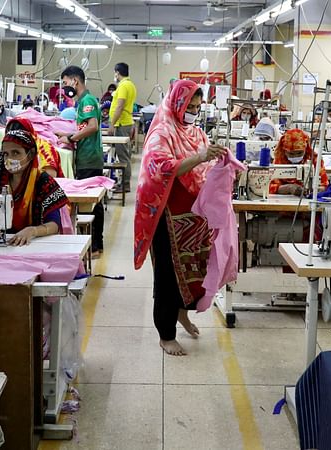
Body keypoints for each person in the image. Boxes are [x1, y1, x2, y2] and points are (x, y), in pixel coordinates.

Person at [134, 80, 229, 356]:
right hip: (167, 216)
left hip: (194, 215)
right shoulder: (162, 132)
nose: (194, 112)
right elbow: (160, 168)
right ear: (178, 104)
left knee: (192, 269)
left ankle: (181, 312)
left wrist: (220, 163)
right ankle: (165, 333)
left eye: (198, 107)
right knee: (166, 272)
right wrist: (200, 157)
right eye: (190, 106)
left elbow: (206, 164)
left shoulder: (196, 132)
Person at [0, 118, 69, 246]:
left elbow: (54, 224)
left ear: (30, 155)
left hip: (36, 244)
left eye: (16, 153)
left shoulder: (43, 182)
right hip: (8, 244)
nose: (9, 158)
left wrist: (32, 231)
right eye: (6, 154)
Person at [56, 65, 105, 258]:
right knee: (94, 203)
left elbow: (92, 127)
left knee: (92, 203)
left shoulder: (87, 101)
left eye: (65, 82)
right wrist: (69, 134)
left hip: (90, 158)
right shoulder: (83, 102)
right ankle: (96, 245)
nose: (65, 87)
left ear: (75, 81)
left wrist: (71, 138)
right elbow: (85, 128)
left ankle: (95, 246)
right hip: (87, 157)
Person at [269, 129, 328, 196]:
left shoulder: (314, 159)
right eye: (291, 154)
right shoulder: (279, 160)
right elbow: (269, 187)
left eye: (300, 152)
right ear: (284, 151)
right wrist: (289, 188)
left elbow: (325, 185)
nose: (295, 156)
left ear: (305, 148)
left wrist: (317, 189)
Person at [108, 62, 138, 192]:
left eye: (115, 72)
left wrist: (112, 124)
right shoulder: (130, 85)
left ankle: (125, 184)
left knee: (123, 156)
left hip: (121, 123)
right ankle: (123, 183)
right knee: (123, 154)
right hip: (125, 122)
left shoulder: (124, 86)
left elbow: (119, 106)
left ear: (117, 72)